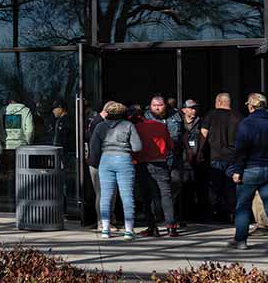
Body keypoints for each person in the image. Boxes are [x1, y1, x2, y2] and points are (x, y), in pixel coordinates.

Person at [227, 93, 268, 254]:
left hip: (250, 170)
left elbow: (241, 151)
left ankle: (240, 240)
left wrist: (237, 170)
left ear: (251, 106)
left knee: (243, 207)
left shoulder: (246, 124)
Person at [89, 101, 142, 239]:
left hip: (105, 160)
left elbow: (94, 148)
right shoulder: (128, 126)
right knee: (127, 196)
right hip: (124, 160)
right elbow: (137, 147)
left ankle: (105, 229)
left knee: (105, 195)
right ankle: (129, 230)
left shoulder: (100, 127)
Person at [134, 104, 178, 237]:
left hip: (143, 164)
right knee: (166, 195)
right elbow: (170, 145)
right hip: (160, 163)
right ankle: (171, 226)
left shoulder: (136, 128)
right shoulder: (160, 126)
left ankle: (152, 227)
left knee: (147, 197)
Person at [202, 92, 241, 222]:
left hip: (216, 156)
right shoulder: (238, 117)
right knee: (231, 187)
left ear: (218, 101)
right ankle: (232, 213)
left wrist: (199, 153)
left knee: (214, 187)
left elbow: (203, 135)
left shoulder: (211, 115)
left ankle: (214, 213)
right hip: (234, 157)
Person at [179, 99, 209, 220]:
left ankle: (197, 214)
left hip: (198, 160)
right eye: (191, 108)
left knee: (198, 187)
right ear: (184, 110)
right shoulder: (178, 123)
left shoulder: (201, 122)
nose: (193, 110)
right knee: (183, 187)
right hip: (182, 160)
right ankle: (183, 214)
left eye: (195, 108)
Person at [85, 104, 108, 227]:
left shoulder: (97, 122)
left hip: (98, 161)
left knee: (104, 192)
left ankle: (106, 219)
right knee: (102, 192)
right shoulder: (98, 124)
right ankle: (102, 221)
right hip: (98, 162)